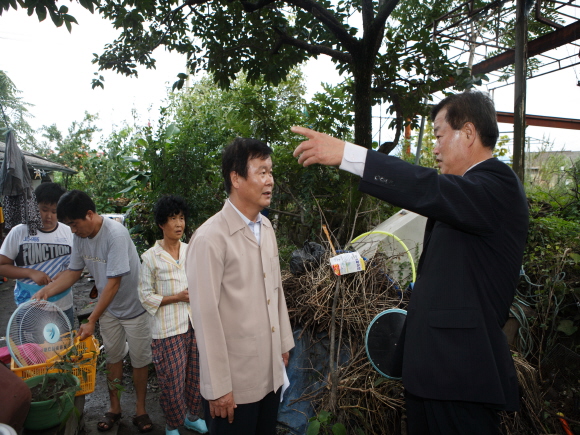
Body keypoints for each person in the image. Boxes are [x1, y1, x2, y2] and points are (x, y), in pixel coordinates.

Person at [292, 90, 529, 435]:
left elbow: (427, 188)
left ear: (468, 134)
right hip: (433, 374)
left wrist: (350, 156)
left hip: (458, 377)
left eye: (438, 134)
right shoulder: (465, 197)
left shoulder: (497, 186)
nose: (434, 147)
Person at [186, 138, 295, 435]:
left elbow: (276, 291)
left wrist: (284, 344)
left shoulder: (267, 228)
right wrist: (218, 386)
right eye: (262, 172)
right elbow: (205, 319)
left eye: (271, 172)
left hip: (270, 372)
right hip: (234, 386)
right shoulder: (210, 239)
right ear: (236, 178)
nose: (270, 180)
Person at [31, 190, 154, 433]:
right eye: (70, 226)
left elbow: (113, 283)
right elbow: (74, 271)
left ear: (90, 215)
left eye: (74, 225)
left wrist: (91, 320)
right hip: (109, 310)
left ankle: (141, 410)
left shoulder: (116, 234)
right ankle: (114, 408)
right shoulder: (80, 237)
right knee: (113, 358)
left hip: (135, 308)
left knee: (140, 362)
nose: (73, 231)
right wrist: (46, 292)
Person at [138, 195, 208, 435]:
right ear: (161, 223)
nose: (179, 224)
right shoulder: (150, 258)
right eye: (172, 219)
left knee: (195, 375)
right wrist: (176, 297)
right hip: (167, 331)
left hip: (194, 325)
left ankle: (192, 416)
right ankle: (172, 425)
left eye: (181, 218)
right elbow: (145, 296)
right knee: (172, 381)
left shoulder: (192, 251)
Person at [0, 182, 75, 327]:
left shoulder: (69, 232)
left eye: (54, 212)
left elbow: (78, 266)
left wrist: (66, 274)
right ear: (35, 207)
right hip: (28, 305)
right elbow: (2, 265)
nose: (48, 216)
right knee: (33, 348)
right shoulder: (19, 232)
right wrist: (29, 272)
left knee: (64, 347)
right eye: (44, 209)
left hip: (62, 304)